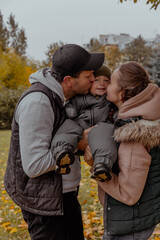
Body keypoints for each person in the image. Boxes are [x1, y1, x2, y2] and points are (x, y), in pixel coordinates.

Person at [4, 44, 105, 240]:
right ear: (68, 80)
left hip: (61, 196)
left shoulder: (63, 97)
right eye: (88, 75)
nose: (93, 79)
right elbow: (34, 165)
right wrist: (78, 145)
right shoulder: (39, 103)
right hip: (45, 205)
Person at [84, 61, 160, 240]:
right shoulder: (144, 118)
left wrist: (95, 165)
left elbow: (129, 194)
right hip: (136, 218)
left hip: (129, 225)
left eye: (111, 82)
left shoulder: (133, 135)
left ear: (122, 93)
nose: (107, 86)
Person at [51, 64, 118, 182]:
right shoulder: (80, 97)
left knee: (107, 132)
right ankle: (62, 152)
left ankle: (102, 165)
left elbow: (117, 109)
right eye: (97, 80)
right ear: (91, 82)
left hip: (99, 129)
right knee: (68, 125)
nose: (102, 83)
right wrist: (70, 111)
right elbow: (71, 105)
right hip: (79, 125)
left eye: (106, 81)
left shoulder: (109, 99)